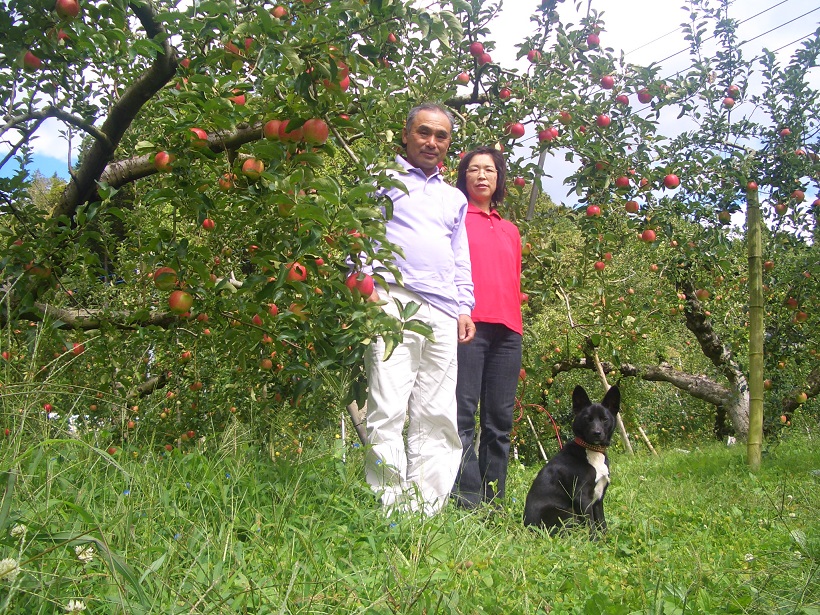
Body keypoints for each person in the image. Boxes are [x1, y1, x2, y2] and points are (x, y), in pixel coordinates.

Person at [361, 102, 476, 516]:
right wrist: (365, 285)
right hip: (394, 297)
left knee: (438, 412)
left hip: (444, 311)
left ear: (448, 144)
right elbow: (359, 234)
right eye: (424, 132)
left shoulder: (454, 198)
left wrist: (465, 306)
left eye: (441, 136)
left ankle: (426, 508)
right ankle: (389, 507)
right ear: (406, 135)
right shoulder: (381, 180)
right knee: (388, 405)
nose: (432, 142)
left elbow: (459, 256)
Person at [451, 146, 523, 508]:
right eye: (474, 170)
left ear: (499, 180)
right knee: (462, 415)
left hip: (509, 332)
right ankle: (466, 500)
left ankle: (494, 503)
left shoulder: (511, 230)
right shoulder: (455, 218)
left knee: (499, 422)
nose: (482, 176)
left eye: (489, 170)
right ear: (464, 177)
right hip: (469, 327)